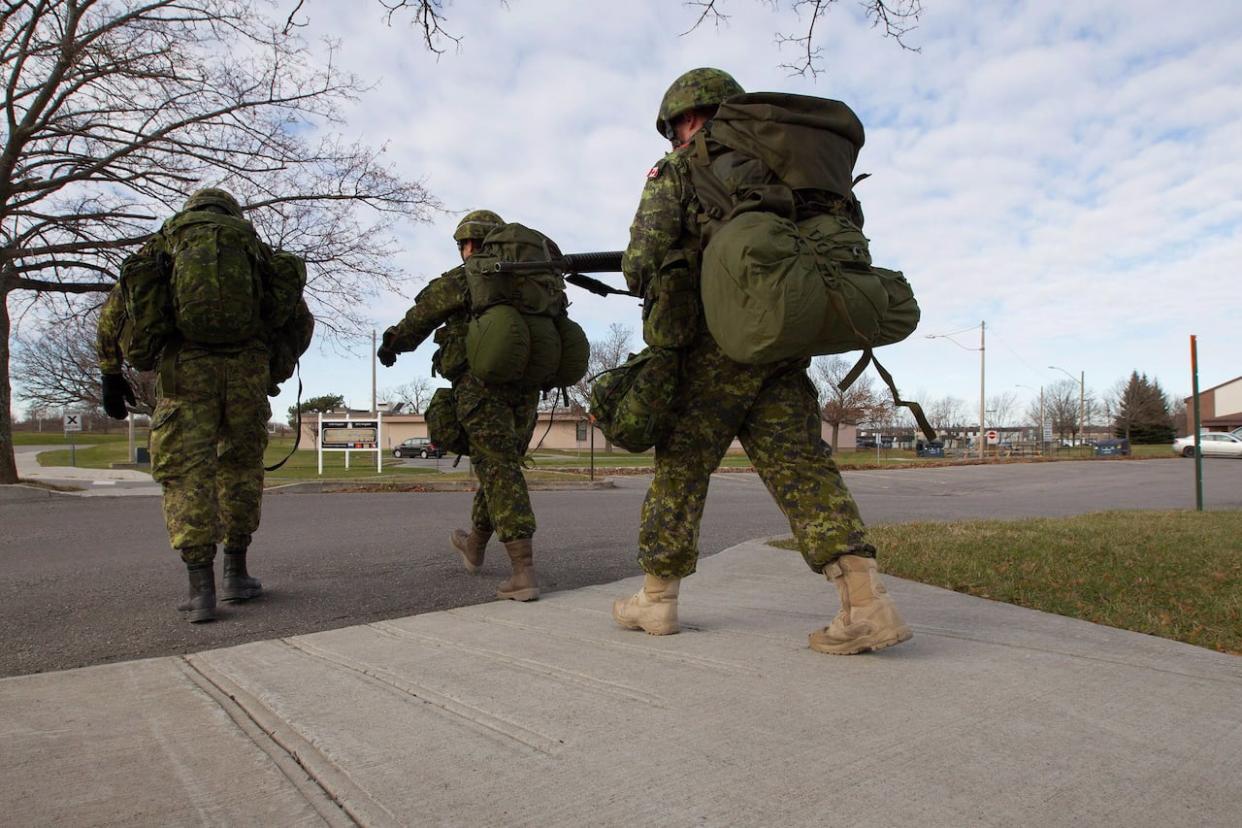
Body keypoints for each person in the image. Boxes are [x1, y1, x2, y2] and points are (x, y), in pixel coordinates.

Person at [610, 68, 912, 654]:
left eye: (676, 127)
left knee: (682, 468)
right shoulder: (795, 172)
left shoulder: (681, 168)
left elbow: (639, 260)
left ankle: (656, 600)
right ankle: (866, 604)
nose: (676, 137)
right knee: (802, 465)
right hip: (778, 345)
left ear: (688, 119)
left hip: (711, 348)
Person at [98, 188, 288, 623]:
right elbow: (297, 316)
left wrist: (111, 371)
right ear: (231, 213)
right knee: (241, 469)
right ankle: (237, 575)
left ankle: (200, 589)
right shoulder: (256, 251)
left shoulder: (167, 241)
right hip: (246, 373)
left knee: (188, 473)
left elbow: (117, 309)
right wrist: (275, 369)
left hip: (185, 371)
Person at [377, 210, 542, 601]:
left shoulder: (468, 276)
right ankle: (475, 546)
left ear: (474, 244)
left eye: (465, 243)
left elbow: (423, 315)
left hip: (482, 390)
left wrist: (393, 342)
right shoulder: (532, 280)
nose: (464, 250)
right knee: (499, 464)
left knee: (498, 468)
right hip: (528, 392)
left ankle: (524, 572)